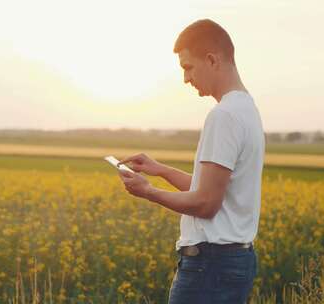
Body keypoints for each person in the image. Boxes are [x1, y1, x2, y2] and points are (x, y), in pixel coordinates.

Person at [117, 19, 264, 303]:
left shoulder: (223, 116)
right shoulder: (246, 108)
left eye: (188, 67)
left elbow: (205, 204)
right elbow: (214, 190)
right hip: (232, 261)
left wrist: (147, 191)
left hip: (210, 266)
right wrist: (160, 170)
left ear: (211, 60)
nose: (185, 79)